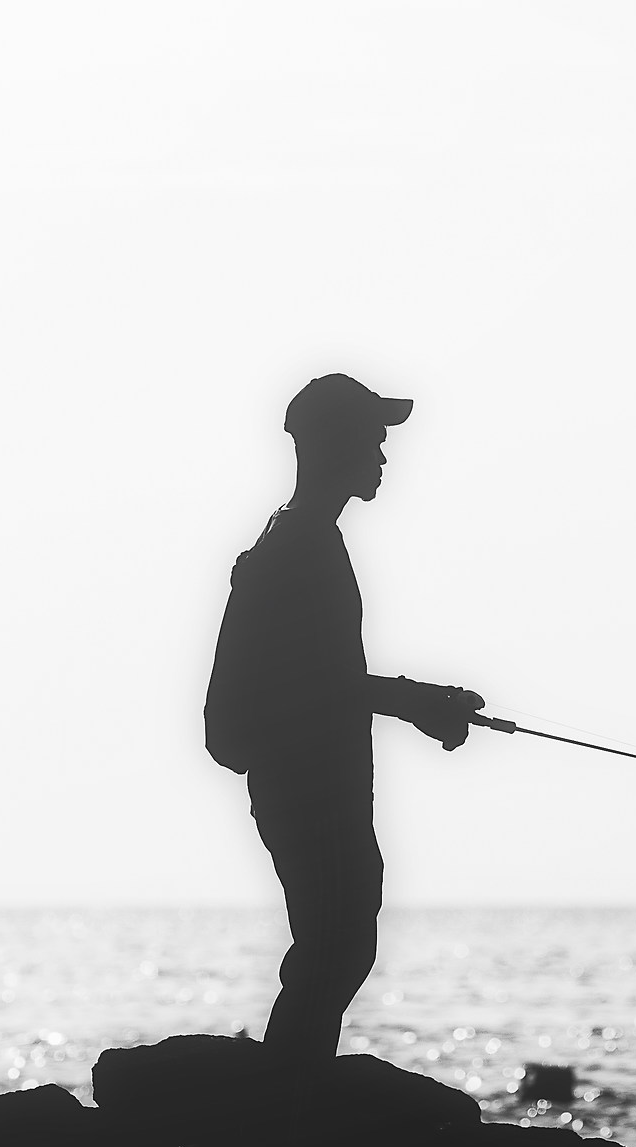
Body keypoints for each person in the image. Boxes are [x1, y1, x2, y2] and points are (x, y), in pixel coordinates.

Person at [204, 373, 486, 1061]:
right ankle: (287, 1107)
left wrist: (419, 701)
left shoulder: (304, 541)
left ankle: (292, 1099)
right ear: (333, 444)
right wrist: (420, 702)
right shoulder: (302, 549)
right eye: (372, 438)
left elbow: (325, 682)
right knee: (336, 944)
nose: (383, 455)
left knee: (336, 943)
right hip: (309, 793)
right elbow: (322, 685)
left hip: (309, 790)